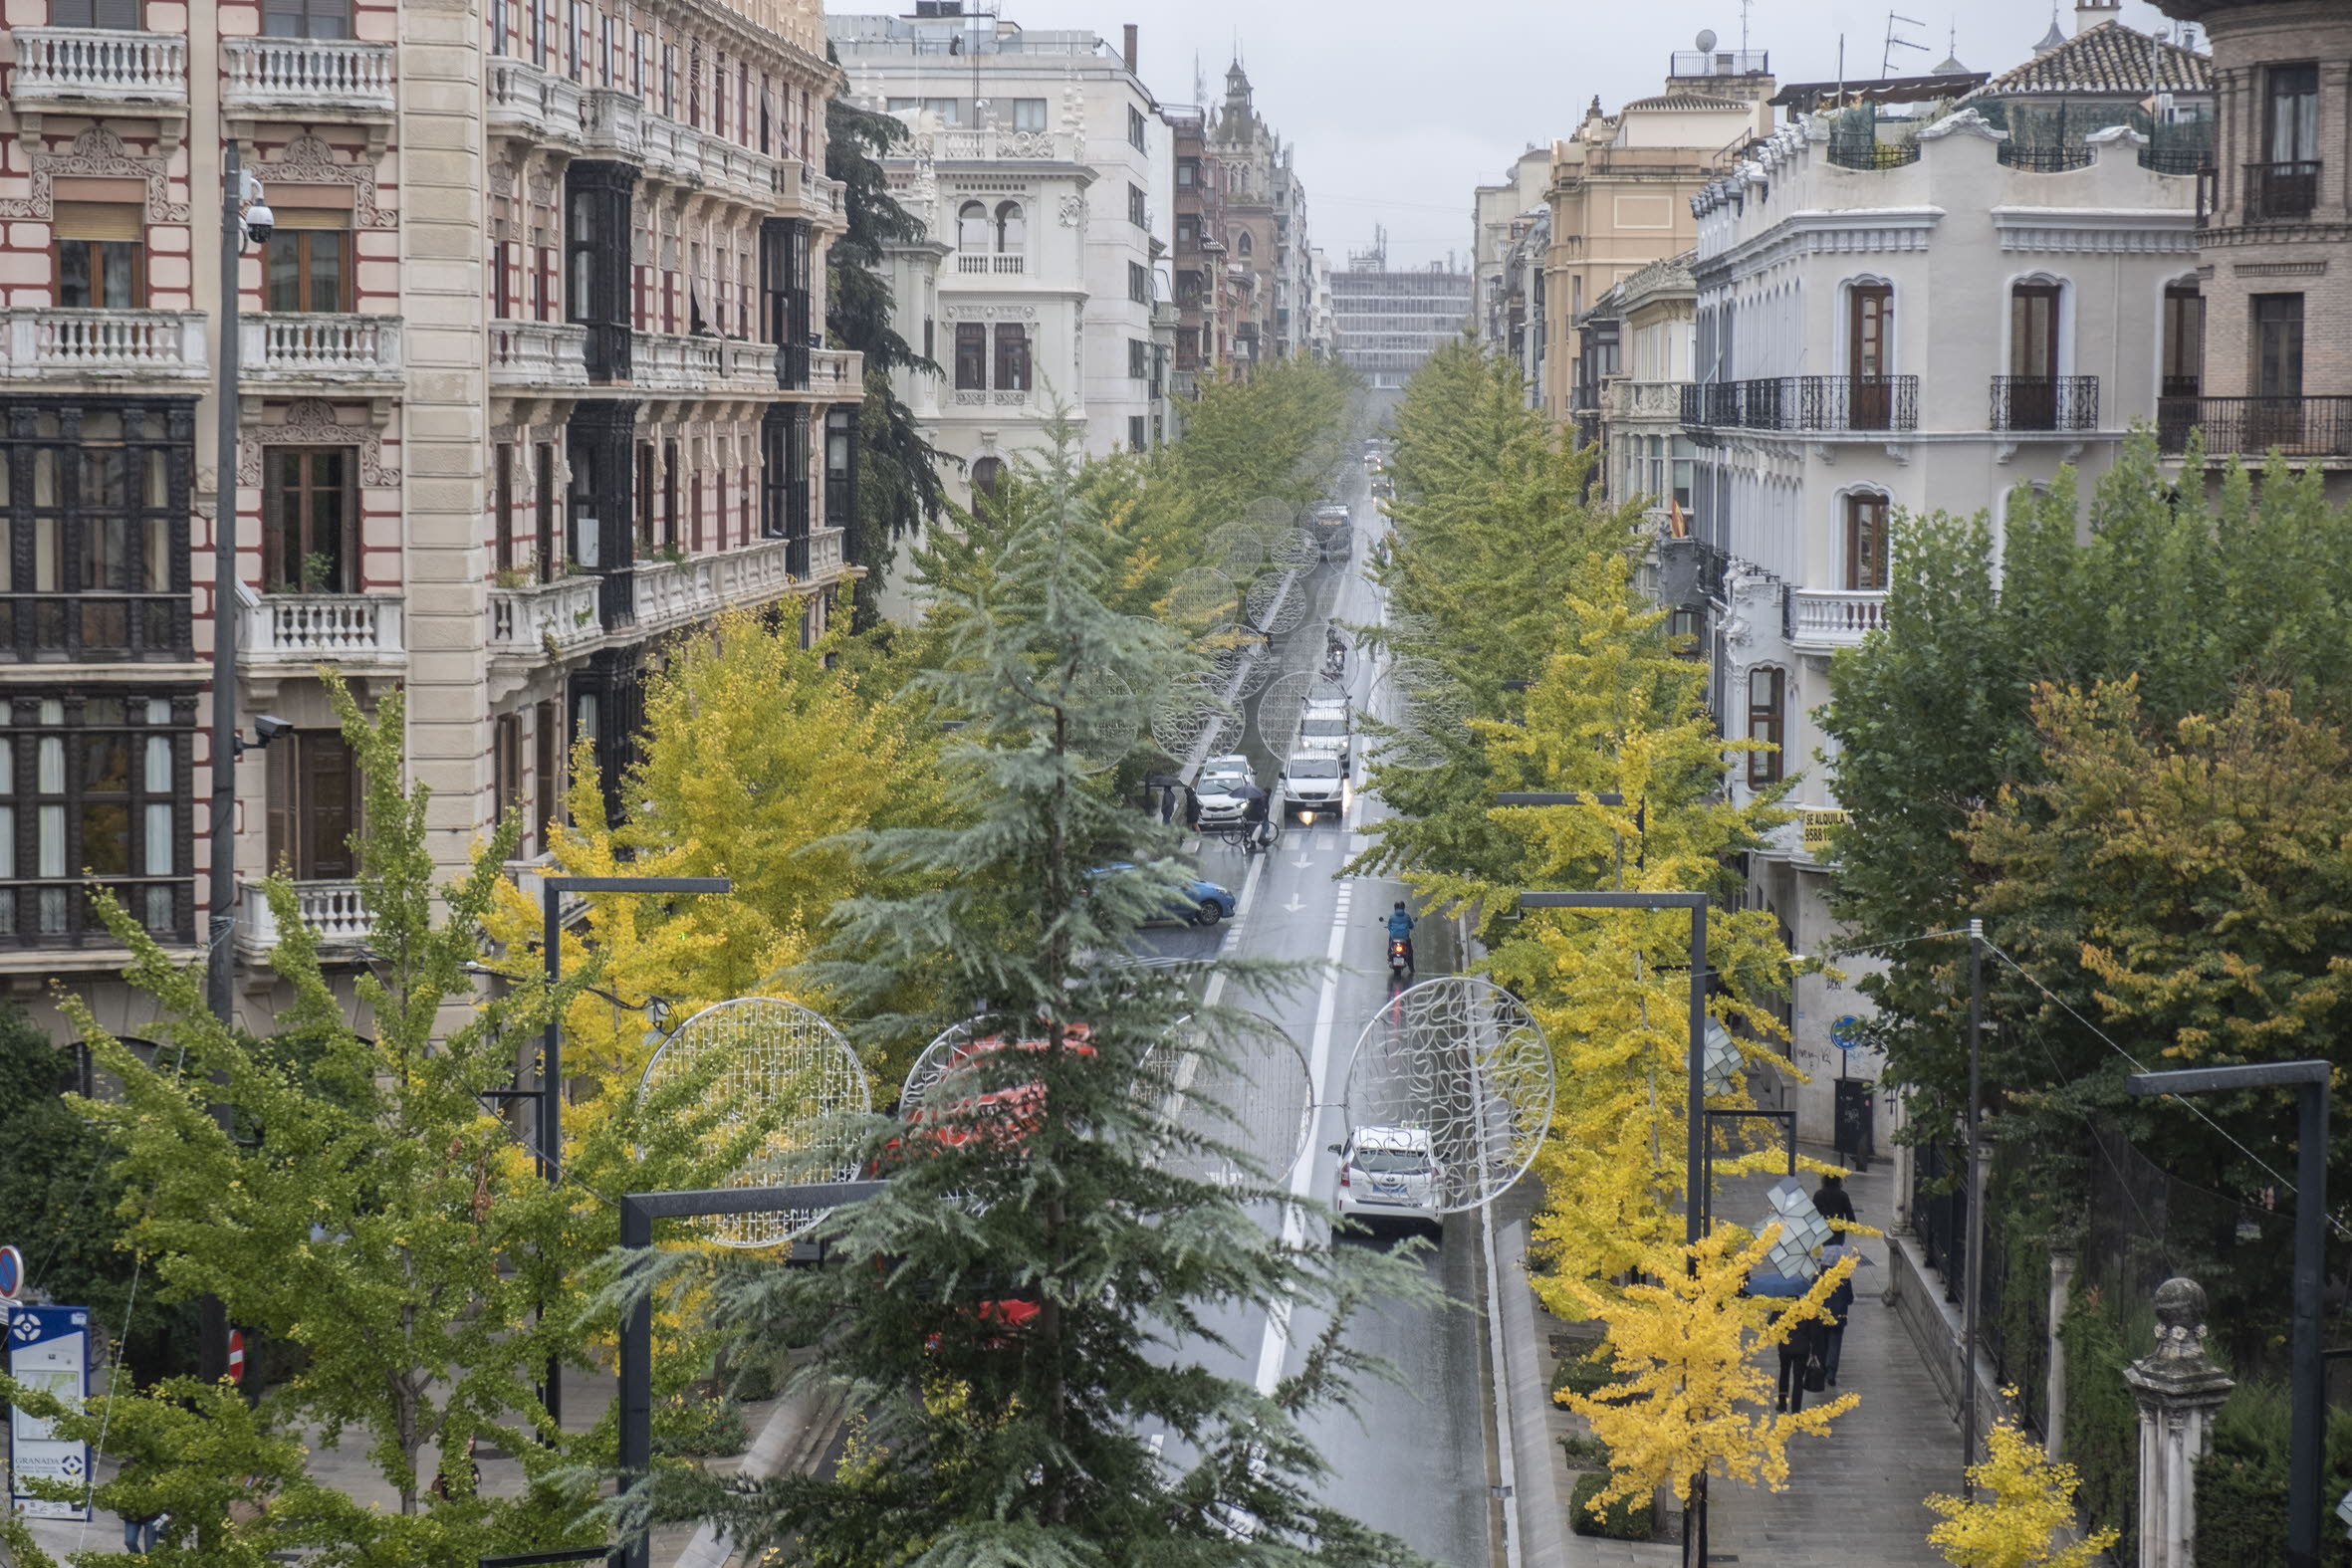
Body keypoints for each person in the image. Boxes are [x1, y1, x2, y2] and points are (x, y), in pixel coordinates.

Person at [1820, 1246, 1857, 1388]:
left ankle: (1822, 1368)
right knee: (1835, 1344)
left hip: (1823, 1315)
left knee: (1822, 1343)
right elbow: (1850, 1298)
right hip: (1839, 1315)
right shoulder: (1845, 1279)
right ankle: (1831, 1372)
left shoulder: (1820, 1277)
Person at [1774, 1304, 1820, 1413]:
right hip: (1802, 1348)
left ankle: (1782, 1403)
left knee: (1784, 1374)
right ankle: (1796, 1407)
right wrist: (1815, 1351)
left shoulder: (1781, 1307)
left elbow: (1772, 1325)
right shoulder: (1807, 1309)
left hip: (1785, 1347)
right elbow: (1814, 1332)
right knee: (1798, 1378)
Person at [1813, 1173, 1857, 1241]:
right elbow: (1851, 1217)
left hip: (1821, 1232)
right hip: (1838, 1234)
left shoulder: (1818, 1194)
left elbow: (1813, 1215)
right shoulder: (1843, 1195)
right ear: (1839, 1181)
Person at [1386, 901, 1414, 970]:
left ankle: (1390, 957)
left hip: (1394, 938)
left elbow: (1389, 927)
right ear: (1404, 908)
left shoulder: (1392, 917)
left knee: (1390, 942)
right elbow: (1411, 926)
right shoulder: (1407, 916)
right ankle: (1411, 967)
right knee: (1410, 951)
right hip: (1405, 939)